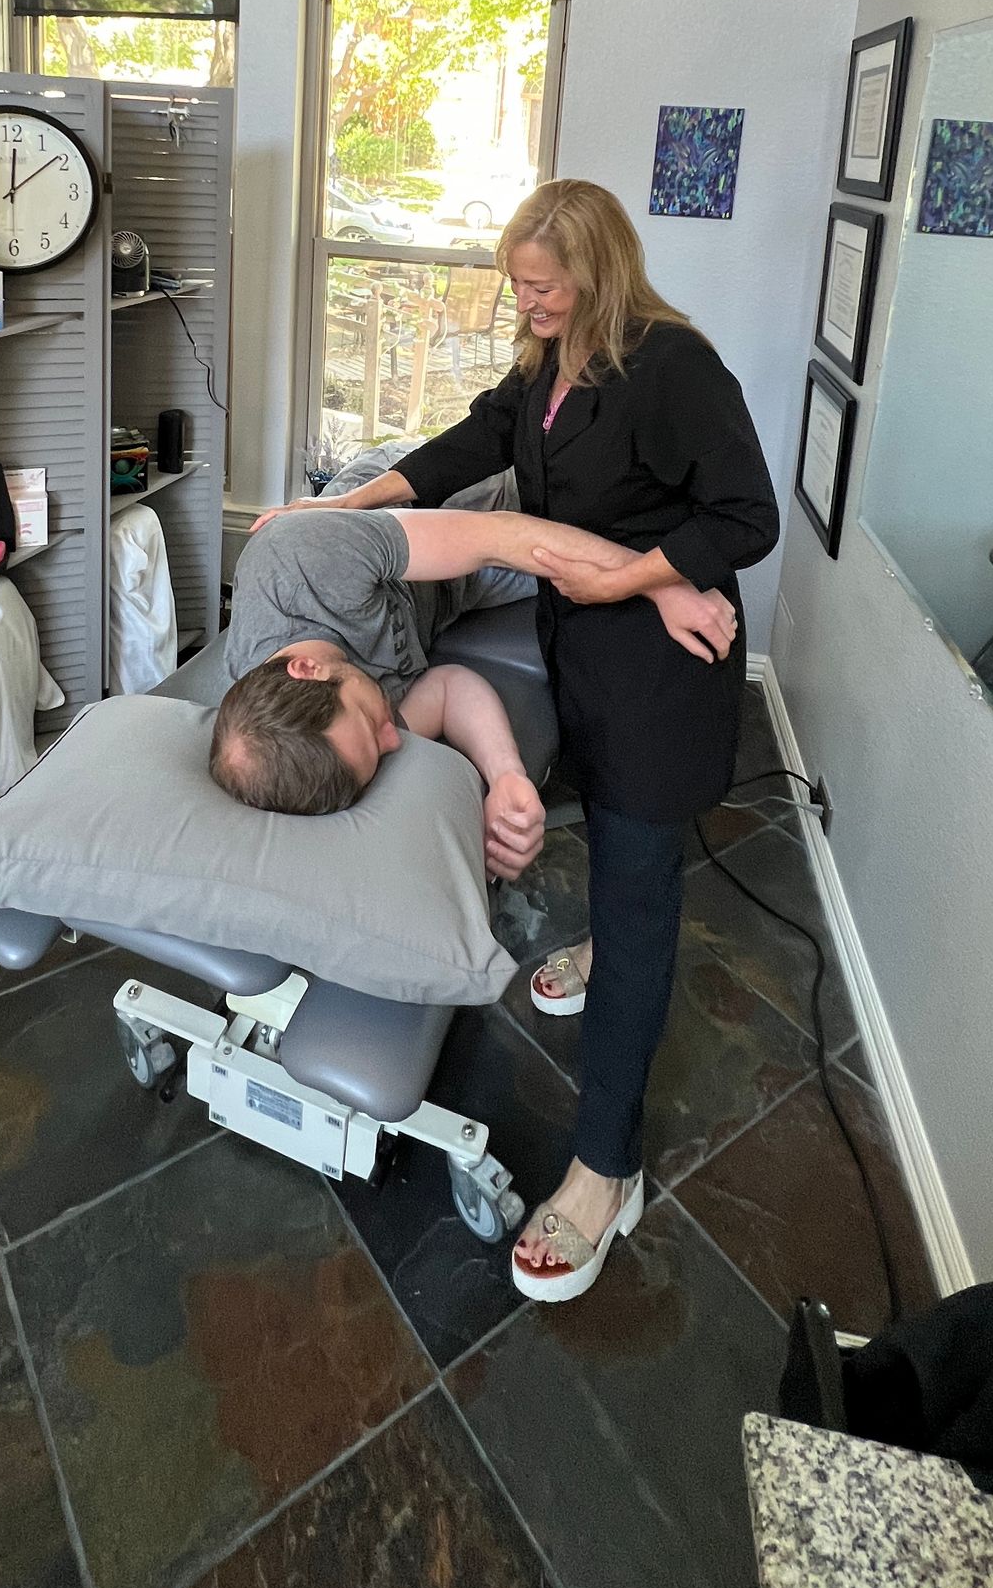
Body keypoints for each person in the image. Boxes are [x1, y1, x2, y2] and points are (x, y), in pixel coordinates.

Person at [271, 178, 778, 1303]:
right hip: (583, 643)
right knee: (596, 817)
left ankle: (607, 1169)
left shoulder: (673, 366)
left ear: (599, 269)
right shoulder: (551, 365)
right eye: (520, 287)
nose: (530, 303)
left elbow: (747, 518)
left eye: (545, 286)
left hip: (658, 674)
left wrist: (643, 584)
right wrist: (350, 511)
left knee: (643, 896)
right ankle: (600, 947)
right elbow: (471, 444)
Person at [215, 503, 737, 885]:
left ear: (306, 669)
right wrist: (506, 778)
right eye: (381, 747)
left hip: (453, 510)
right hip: (467, 589)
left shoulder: (304, 561)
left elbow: (497, 534)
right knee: (610, 593)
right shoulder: (322, 739)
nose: (394, 739)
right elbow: (447, 689)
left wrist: (662, 584)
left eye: (375, 724)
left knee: (619, 536)